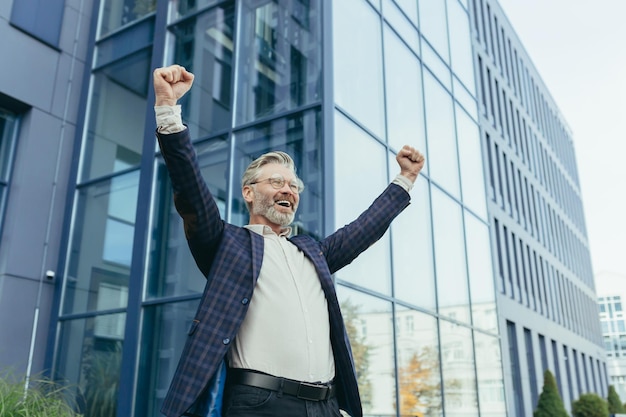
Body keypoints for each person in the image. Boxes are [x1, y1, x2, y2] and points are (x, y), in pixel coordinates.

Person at [153, 65, 425, 417]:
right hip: (260, 404)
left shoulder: (314, 252)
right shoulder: (226, 243)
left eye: (293, 186)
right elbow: (190, 190)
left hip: (326, 406)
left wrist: (405, 178)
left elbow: (365, 228)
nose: (288, 190)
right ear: (248, 193)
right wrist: (168, 111)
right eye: (276, 182)